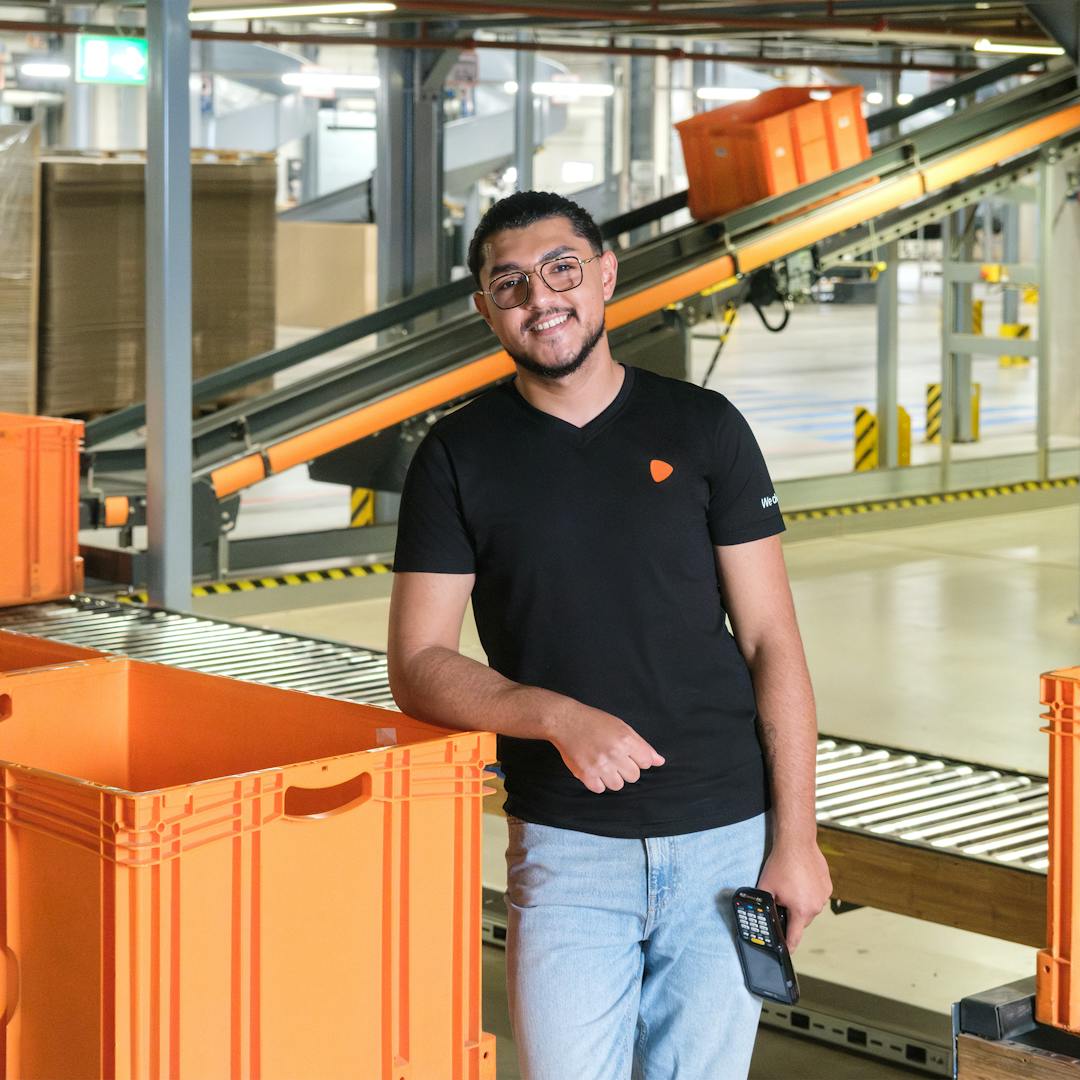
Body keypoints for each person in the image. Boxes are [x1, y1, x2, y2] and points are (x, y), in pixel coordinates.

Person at [387, 190, 832, 1080]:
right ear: (486, 309)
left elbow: (772, 643)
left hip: (725, 837)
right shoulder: (456, 457)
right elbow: (418, 666)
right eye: (509, 283)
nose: (540, 298)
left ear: (605, 277)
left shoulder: (705, 428)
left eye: (561, 269)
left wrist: (798, 839)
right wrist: (554, 716)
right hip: (567, 849)